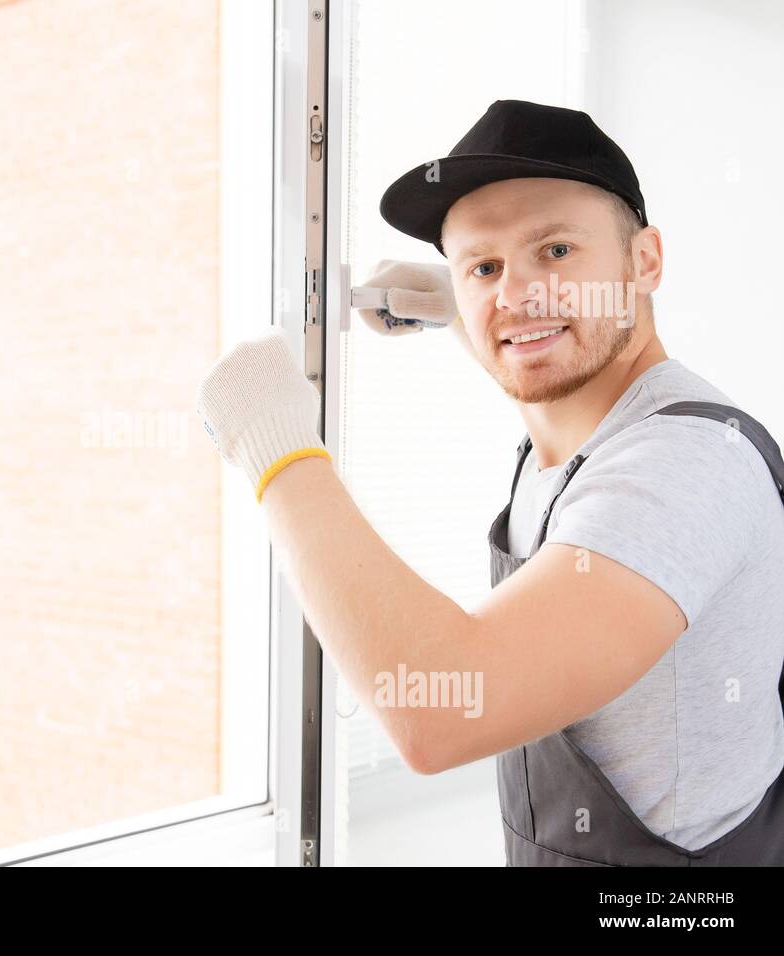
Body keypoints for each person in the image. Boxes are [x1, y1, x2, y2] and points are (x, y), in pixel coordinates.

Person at [196, 99, 784, 865]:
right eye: (484, 266)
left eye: (558, 251)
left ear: (645, 262)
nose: (516, 294)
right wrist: (463, 307)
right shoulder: (581, 428)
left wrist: (273, 445)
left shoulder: (683, 467)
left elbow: (438, 705)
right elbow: (539, 338)